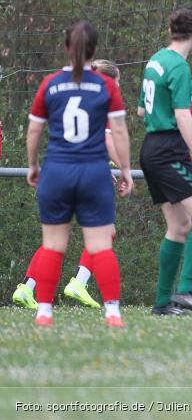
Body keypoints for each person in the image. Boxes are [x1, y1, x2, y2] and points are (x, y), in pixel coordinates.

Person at [23, 21, 133, 327]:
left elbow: (34, 129)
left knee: (53, 244)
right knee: (100, 244)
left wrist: (33, 165)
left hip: (57, 170)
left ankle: (44, 312)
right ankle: (112, 312)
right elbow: (119, 131)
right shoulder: (106, 85)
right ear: (94, 51)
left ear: (67, 49)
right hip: (93, 172)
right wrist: (125, 169)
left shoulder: (50, 83)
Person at [139, 7, 192, 316]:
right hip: (168, 151)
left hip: (150, 148)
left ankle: (162, 302)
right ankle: (185, 290)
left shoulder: (155, 61)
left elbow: (140, 110)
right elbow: (183, 115)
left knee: (179, 224)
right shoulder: (179, 66)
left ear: (170, 31)